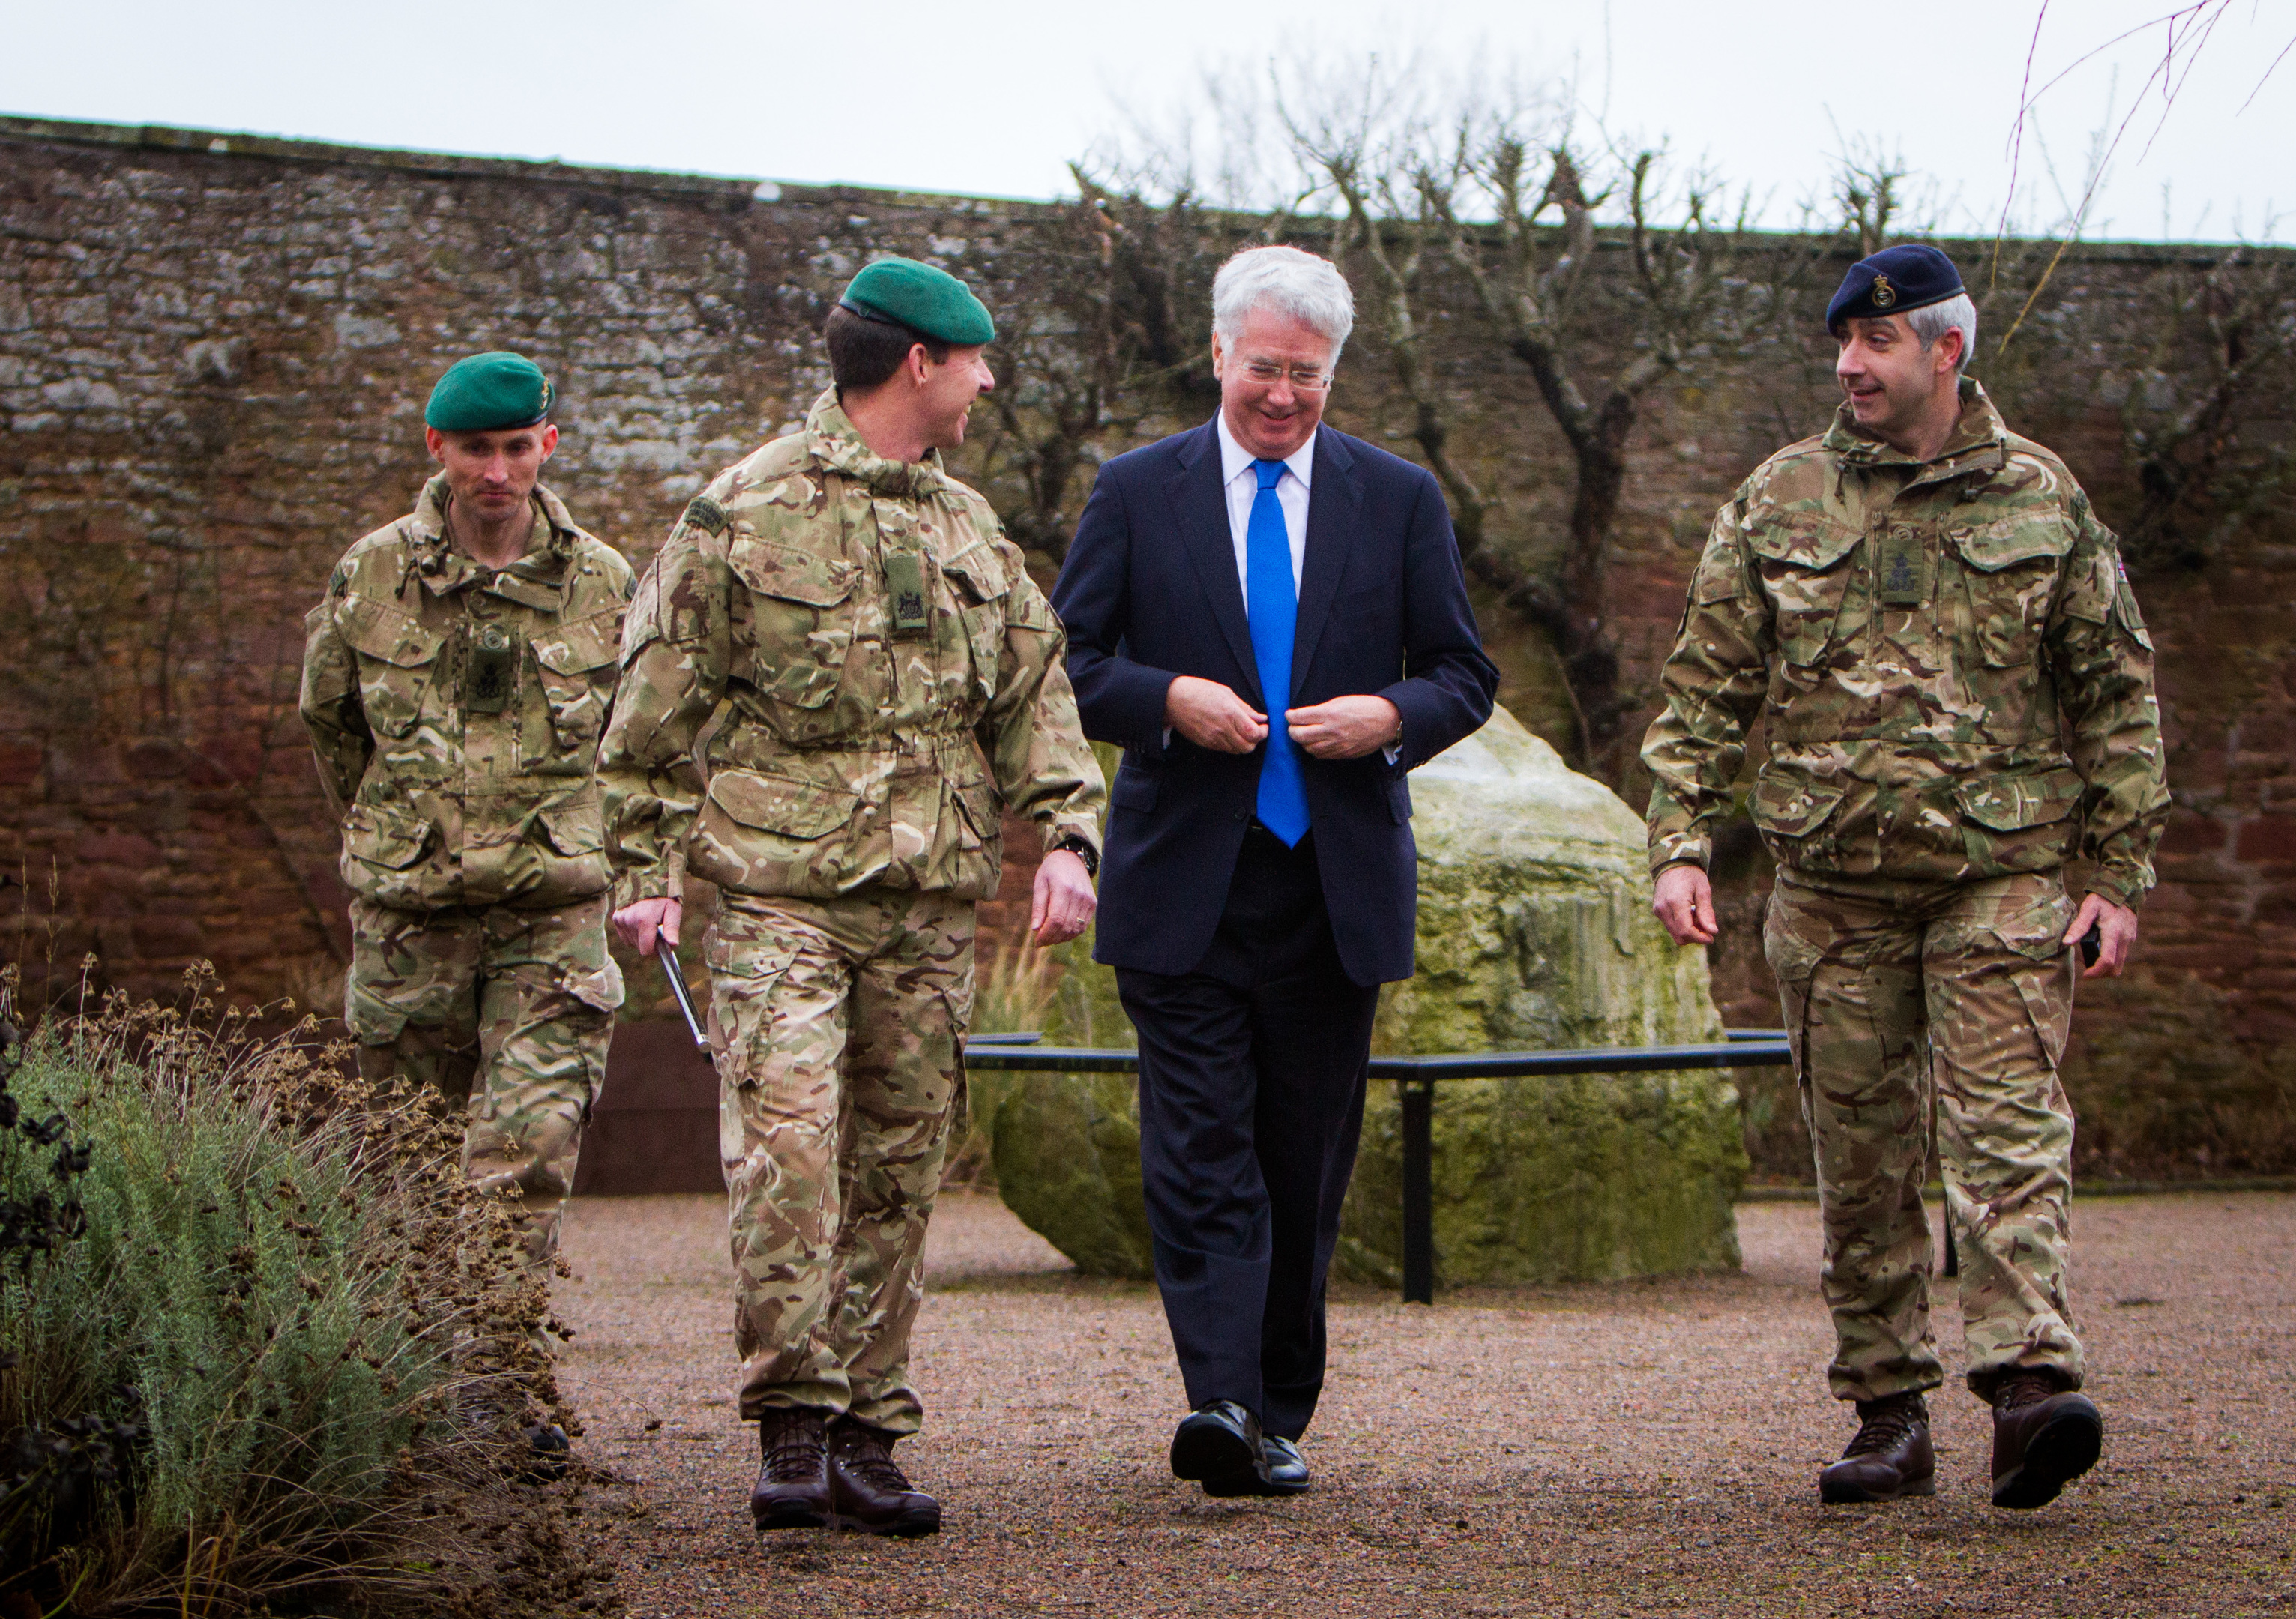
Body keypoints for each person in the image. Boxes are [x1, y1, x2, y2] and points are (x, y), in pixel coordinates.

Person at [1641, 244, 2170, 1510]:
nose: (1848, 364)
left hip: (2003, 873)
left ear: (1946, 350)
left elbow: (2116, 691)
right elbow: (1705, 684)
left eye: (1876, 344)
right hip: (1830, 882)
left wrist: (2118, 868)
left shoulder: (2044, 497)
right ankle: (1888, 1413)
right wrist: (1679, 838)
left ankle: (2031, 1387)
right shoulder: (1780, 498)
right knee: (1861, 1156)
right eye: (1842, 343)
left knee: (2006, 1131)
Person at [597, 258, 1105, 1537]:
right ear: (920, 365)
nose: (991, 380)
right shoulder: (739, 516)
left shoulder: (973, 533)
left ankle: (873, 1430)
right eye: (978, 358)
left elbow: (1038, 699)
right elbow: (650, 719)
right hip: (780, 897)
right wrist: (647, 879)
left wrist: (1068, 840)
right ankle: (793, 1421)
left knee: (899, 1167)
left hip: (930, 906)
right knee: (787, 1153)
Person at [1051, 244, 1498, 1498]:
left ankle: (1278, 1405)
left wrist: (1388, 718)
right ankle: (1223, 1402)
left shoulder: (1398, 498)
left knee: (1301, 1163)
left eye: (1306, 375)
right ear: (1217, 357)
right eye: (1263, 370)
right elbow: (1067, 662)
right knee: (1198, 1156)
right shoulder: (1137, 492)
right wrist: (1167, 699)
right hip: (1184, 882)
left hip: (1333, 886)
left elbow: (1465, 675)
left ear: (1332, 372)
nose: (1283, 397)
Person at [300, 352, 633, 1459]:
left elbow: (639, 742)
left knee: (524, 1154)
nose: (497, 471)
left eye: (516, 447)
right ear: (435, 450)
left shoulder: (606, 586)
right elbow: (333, 726)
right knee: (404, 1160)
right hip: (412, 922)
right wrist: (400, 836)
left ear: (549, 447)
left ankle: (495, 1388)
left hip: (551, 916)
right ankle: (408, 1390)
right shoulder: (371, 576)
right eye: (474, 449)